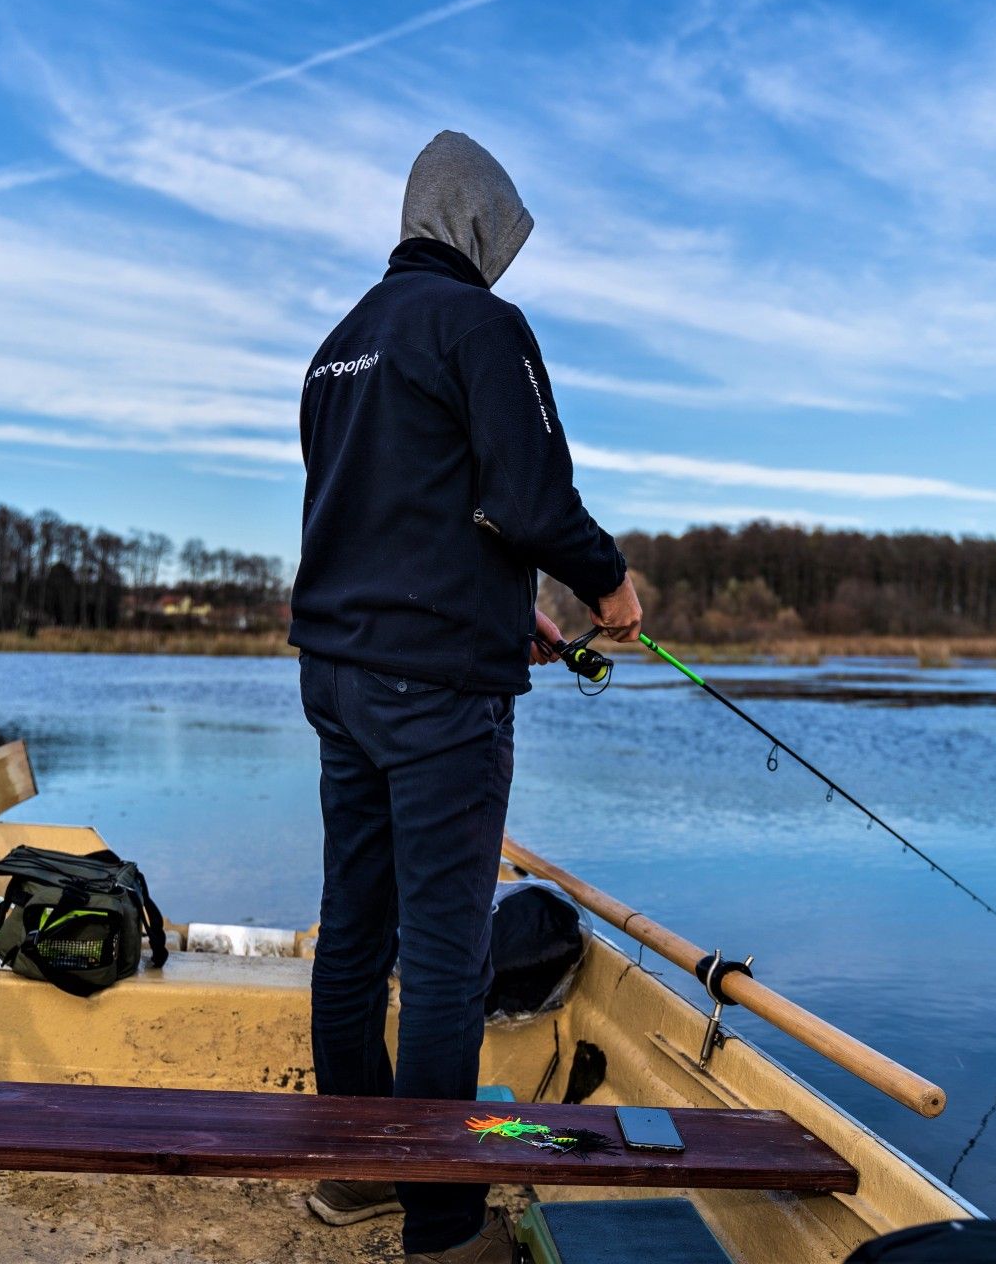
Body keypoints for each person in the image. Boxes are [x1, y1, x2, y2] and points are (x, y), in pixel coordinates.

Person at [289, 130, 643, 1264]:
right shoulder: (484, 326)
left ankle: (355, 1173)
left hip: (337, 675)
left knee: (355, 929)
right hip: (436, 696)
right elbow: (532, 500)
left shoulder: (338, 347)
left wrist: (510, 614)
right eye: (507, 238)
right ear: (480, 223)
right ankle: (444, 1223)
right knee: (447, 953)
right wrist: (608, 586)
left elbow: (412, 514)